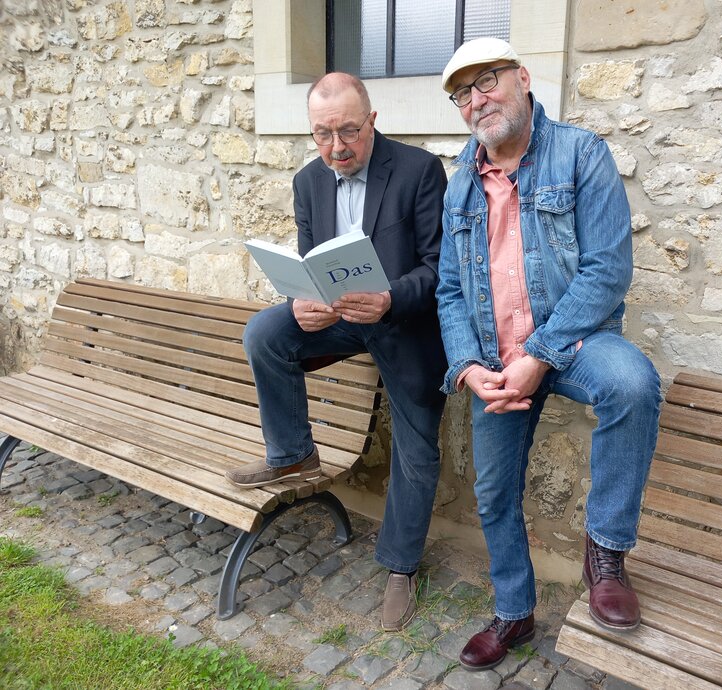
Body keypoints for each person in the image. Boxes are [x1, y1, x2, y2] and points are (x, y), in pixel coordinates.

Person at [435, 39, 661, 671]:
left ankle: (606, 555)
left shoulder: (580, 153)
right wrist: (467, 366)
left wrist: (539, 352)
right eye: (462, 94)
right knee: (493, 492)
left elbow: (608, 271)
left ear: (523, 79)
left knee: (633, 383)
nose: (477, 101)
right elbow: (450, 289)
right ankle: (515, 613)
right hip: (497, 358)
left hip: (576, 341)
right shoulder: (460, 184)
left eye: (487, 82)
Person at [226, 73, 448, 632]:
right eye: (323, 135)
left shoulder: (420, 171)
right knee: (265, 332)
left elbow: (441, 270)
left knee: (417, 443)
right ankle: (293, 453)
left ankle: (400, 565)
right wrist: (302, 302)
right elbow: (306, 267)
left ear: (371, 121)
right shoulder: (308, 181)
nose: (337, 148)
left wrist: (390, 299)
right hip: (339, 321)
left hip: (403, 323)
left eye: (348, 131)